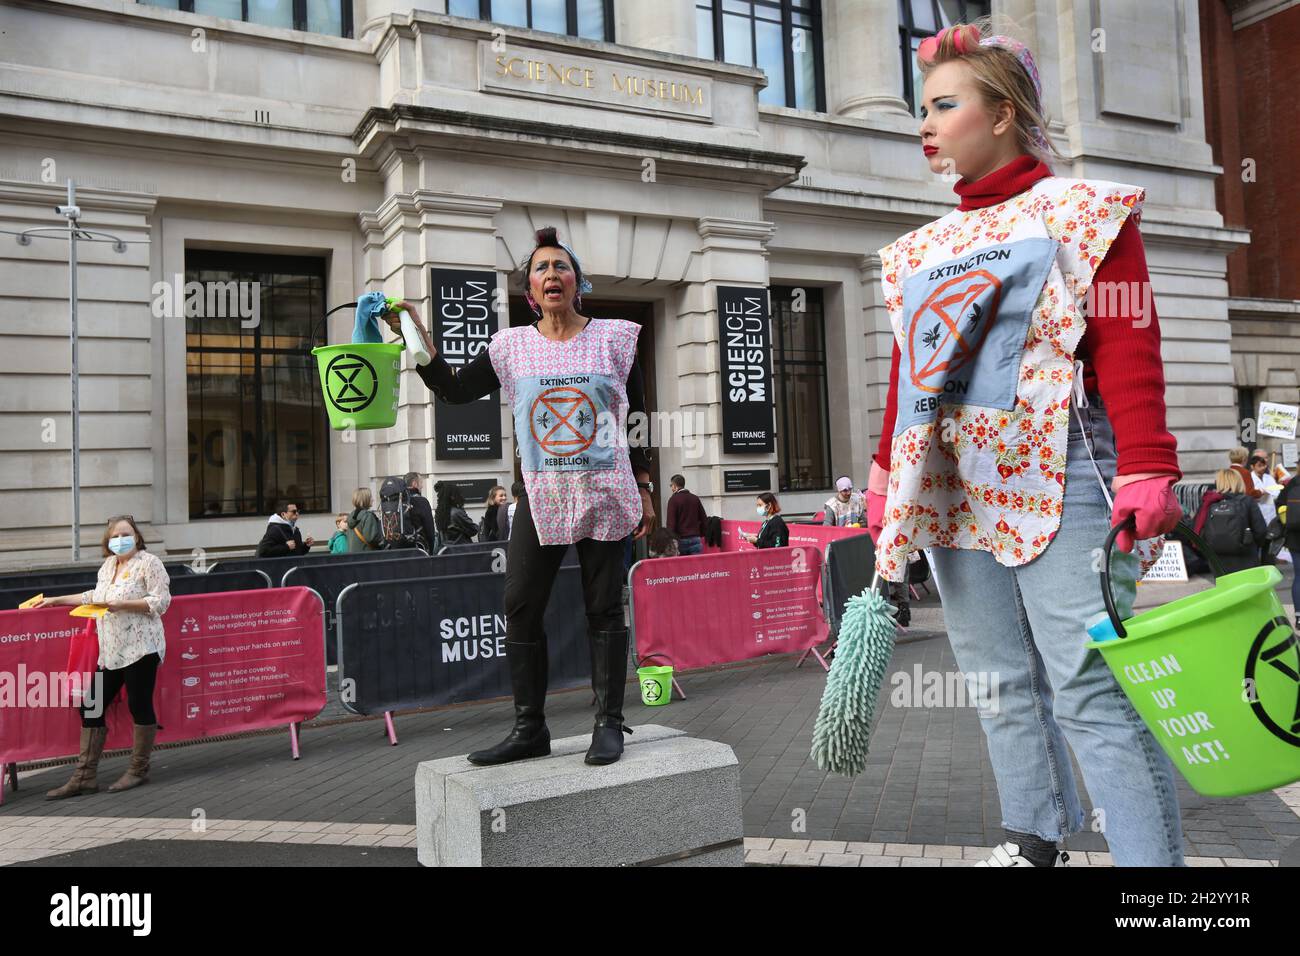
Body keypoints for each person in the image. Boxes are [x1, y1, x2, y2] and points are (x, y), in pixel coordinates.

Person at [865, 21, 1185, 867]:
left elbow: (1128, 342)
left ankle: (1153, 875)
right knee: (998, 681)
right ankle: (1035, 835)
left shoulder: (1084, 212)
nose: (924, 124)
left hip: (1067, 474)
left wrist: (1148, 462)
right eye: (920, 109)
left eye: (943, 104)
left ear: (1002, 113)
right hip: (950, 484)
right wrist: (882, 474)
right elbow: (913, 369)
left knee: (1088, 687)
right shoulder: (918, 251)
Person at [393, 226, 655, 766]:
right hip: (542, 497)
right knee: (520, 604)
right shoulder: (511, 346)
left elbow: (639, 415)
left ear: (576, 282)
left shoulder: (614, 338)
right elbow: (455, 389)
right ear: (529, 292)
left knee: (604, 608)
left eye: (561, 266)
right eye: (541, 269)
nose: (552, 274)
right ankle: (529, 727)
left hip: (606, 492)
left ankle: (609, 723)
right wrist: (416, 341)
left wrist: (646, 487)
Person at [31, 516, 170, 797]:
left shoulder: (149, 562)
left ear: (137, 536)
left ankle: (138, 770)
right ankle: (85, 777)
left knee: (139, 705)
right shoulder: (108, 566)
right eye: (115, 535)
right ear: (108, 541)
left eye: (126, 534)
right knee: (90, 706)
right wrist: (56, 600)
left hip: (142, 647)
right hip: (111, 651)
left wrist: (124, 605)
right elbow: (96, 595)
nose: (120, 539)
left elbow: (161, 602)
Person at [1202, 469, 1267, 574]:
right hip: (1246, 557)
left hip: (1217, 559)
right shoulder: (1247, 501)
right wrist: (1253, 545)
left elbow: (1199, 529)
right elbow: (1261, 530)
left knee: (1225, 588)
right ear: (1239, 481)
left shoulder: (1209, 502)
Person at [665, 474, 708, 556]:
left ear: (674, 486)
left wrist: (670, 539)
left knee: (682, 567)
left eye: (671, 485)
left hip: (680, 540)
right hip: (695, 538)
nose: (671, 488)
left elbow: (671, 523)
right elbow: (703, 519)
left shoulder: (673, 500)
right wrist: (701, 534)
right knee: (696, 568)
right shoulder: (695, 498)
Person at [434, 482, 478, 546]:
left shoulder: (439, 513)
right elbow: (473, 530)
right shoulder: (456, 513)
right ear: (453, 497)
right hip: (462, 548)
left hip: (447, 549)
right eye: (458, 494)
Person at [404, 472, 438, 551]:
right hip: (419, 548)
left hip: (401, 548)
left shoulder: (400, 500)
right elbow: (429, 529)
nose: (422, 486)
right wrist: (431, 548)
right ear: (414, 483)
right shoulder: (421, 501)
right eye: (421, 483)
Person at [347, 488, 383, 552]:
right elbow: (371, 538)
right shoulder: (367, 516)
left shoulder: (351, 515)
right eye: (370, 497)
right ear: (365, 499)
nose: (373, 500)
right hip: (366, 555)